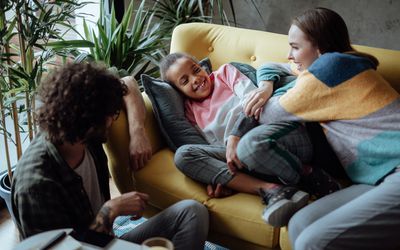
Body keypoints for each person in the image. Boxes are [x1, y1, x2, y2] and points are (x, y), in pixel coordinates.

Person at [11, 63, 209, 250]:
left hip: (107, 242)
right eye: (111, 115)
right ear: (90, 122)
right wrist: (111, 210)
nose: (112, 120)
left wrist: (137, 132)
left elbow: (128, 83)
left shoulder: (79, 134)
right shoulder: (36, 187)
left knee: (192, 213)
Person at [256, 7, 400, 249]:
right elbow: (274, 66)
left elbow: (268, 115)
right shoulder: (340, 65)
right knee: (299, 224)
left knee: (314, 242)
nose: (289, 55)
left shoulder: (330, 67)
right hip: (377, 177)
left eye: (295, 47)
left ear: (320, 48)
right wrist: (265, 85)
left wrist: (272, 87)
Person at [159, 53, 339, 227]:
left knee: (250, 145)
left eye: (196, 70)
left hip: (274, 135)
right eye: (185, 81)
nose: (195, 79)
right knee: (183, 155)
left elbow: (256, 102)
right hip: (241, 159)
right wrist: (215, 177)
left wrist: (234, 136)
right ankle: (272, 189)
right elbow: (212, 148)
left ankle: (309, 174)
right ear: (179, 92)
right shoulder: (190, 111)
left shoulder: (225, 73)